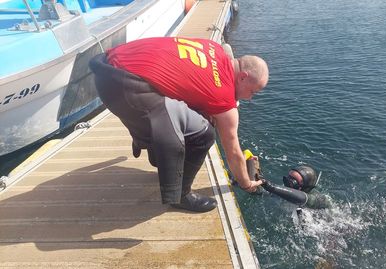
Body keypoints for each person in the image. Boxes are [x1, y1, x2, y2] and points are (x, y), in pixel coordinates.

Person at [89, 37, 268, 212]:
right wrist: (247, 184)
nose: (250, 98)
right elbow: (234, 153)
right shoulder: (225, 100)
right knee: (204, 134)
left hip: (107, 65)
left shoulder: (214, 48)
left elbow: (188, 80)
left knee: (179, 113)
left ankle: (148, 142)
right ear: (243, 77)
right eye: (252, 92)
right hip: (124, 87)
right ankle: (180, 195)